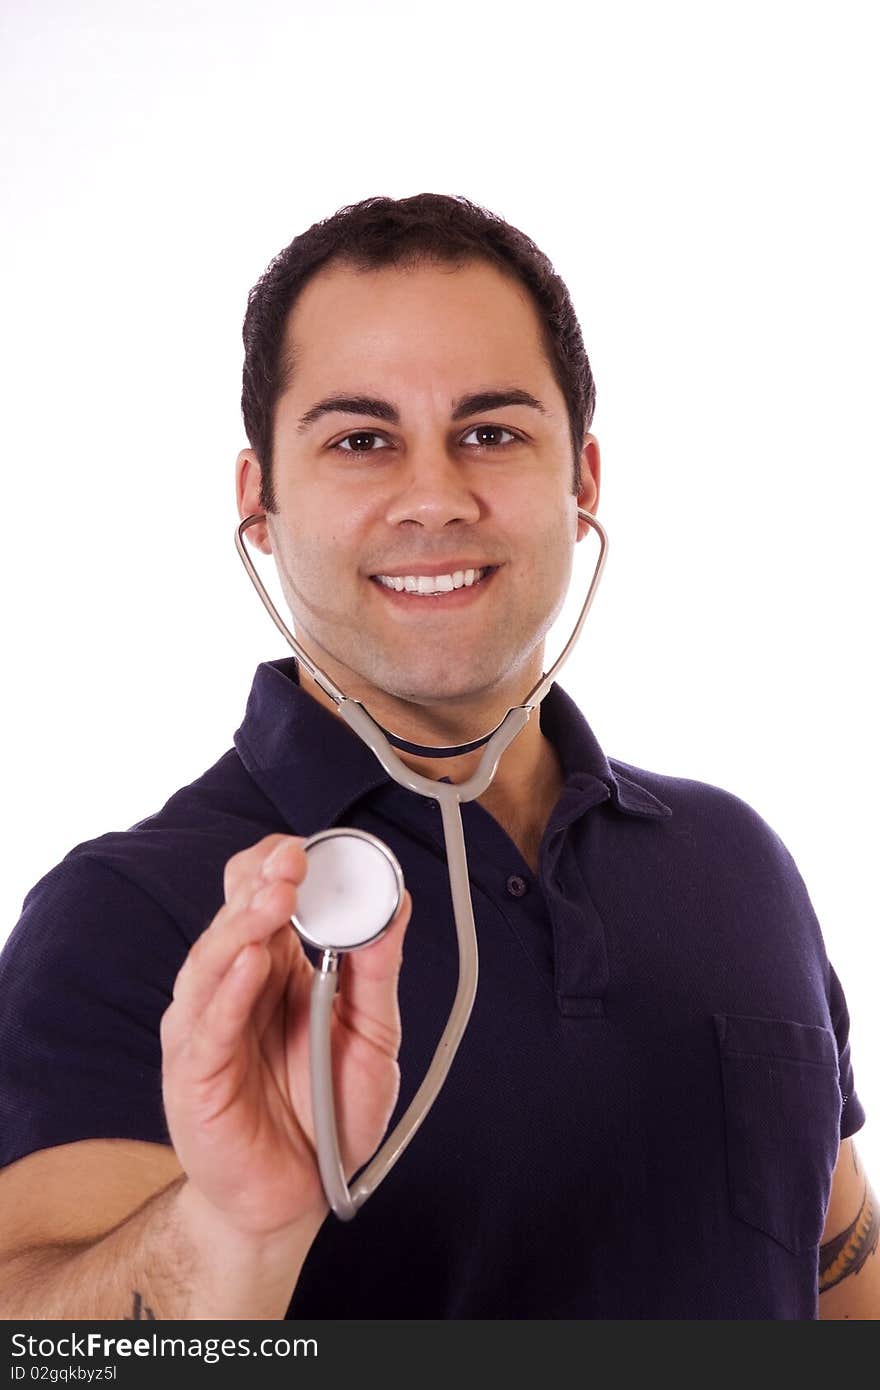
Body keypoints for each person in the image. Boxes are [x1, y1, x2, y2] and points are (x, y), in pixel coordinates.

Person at [0, 193, 876, 1321]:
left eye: (493, 432)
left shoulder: (736, 862)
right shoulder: (128, 916)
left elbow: (834, 1277)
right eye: (361, 440)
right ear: (259, 500)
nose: (434, 497)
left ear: (584, 481)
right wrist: (227, 1234)